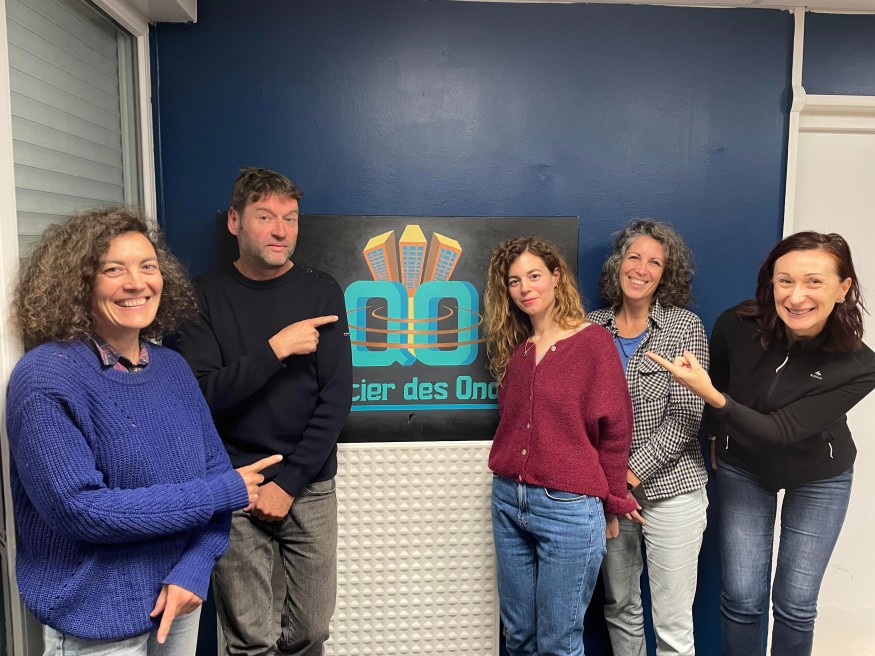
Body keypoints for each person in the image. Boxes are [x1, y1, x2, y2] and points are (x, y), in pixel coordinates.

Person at [5, 207, 280, 656]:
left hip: (179, 600)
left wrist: (194, 569)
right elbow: (81, 510)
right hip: (97, 619)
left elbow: (216, 478)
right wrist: (221, 492)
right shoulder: (46, 377)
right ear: (78, 283)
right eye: (114, 269)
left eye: (148, 266)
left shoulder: (173, 369)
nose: (137, 283)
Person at [647, 231, 875, 656]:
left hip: (820, 475)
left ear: (843, 288)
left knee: (795, 605)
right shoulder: (735, 325)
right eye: (784, 280)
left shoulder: (861, 365)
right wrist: (714, 434)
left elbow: (780, 430)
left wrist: (711, 397)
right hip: (745, 467)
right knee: (742, 599)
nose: (796, 296)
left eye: (814, 281)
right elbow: (722, 382)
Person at [174, 167, 352, 656]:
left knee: (312, 631)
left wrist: (289, 483)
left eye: (290, 219)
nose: (281, 231)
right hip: (234, 483)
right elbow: (202, 397)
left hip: (309, 484)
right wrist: (275, 350)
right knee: (248, 641)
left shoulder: (321, 290)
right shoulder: (200, 296)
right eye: (266, 217)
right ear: (235, 221)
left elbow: (336, 399)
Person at [484, 236, 636, 656]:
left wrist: (612, 501)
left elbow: (616, 430)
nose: (525, 289)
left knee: (558, 643)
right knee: (518, 638)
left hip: (567, 507)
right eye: (514, 281)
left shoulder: (593, 342)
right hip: (508, 500)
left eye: (534, 276)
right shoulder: (518, 350)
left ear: (556, 277)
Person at [588, 220, 709, 656]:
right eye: (633, 257)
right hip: (609, 496)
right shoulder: (591, 328)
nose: (641, 269)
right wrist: (611, 486)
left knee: (672, 621)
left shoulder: (684, 327)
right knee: (620, 607)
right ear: (618, 263)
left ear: (665, 273)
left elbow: (686, 417)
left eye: (654, 262)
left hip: (672, 492)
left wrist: (628, 476)